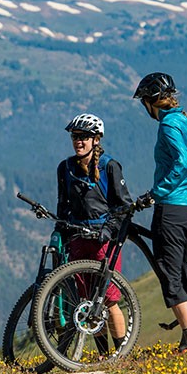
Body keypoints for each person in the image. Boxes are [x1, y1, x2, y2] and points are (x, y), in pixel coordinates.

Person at [132, 72, 187, 353]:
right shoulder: (183, 119)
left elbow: (182, 163)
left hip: (172, 210)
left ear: (151, 102)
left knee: (171, 280)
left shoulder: (168, 125)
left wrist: (156, 193)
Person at [55, 113, 134, 356]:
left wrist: (109, 229)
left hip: (104, 241)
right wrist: (62, 231)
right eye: (75, 137)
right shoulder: (65, 167)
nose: (78, 141)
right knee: (88, 301)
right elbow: (63, 205)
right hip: (79, 239)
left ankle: (120, 354)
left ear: (96, 140)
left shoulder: (109, 166)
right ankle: (102, 354)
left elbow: (124, 206)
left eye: (84, 137)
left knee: (109, 300)